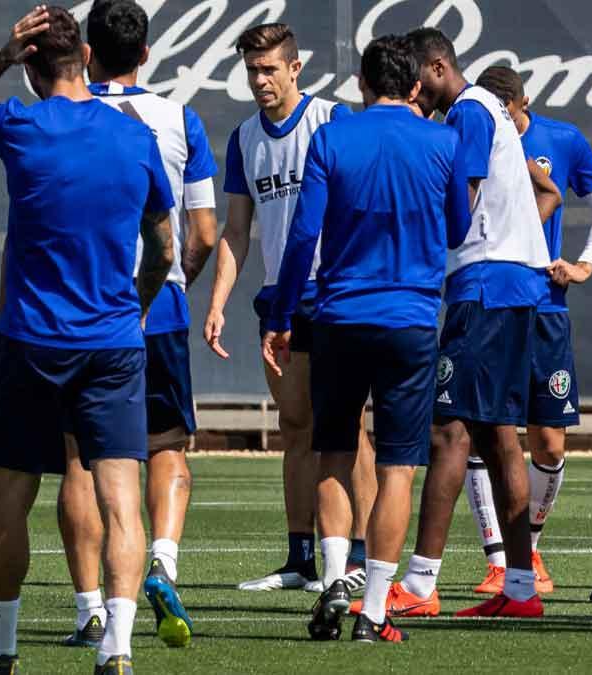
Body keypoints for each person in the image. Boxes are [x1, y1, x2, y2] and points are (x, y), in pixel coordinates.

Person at [0, 6, 175, 674]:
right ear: (89, 56)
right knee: (121, 493)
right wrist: (140, 300)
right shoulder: (133, 135)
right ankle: (119, 646)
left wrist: (2, 56)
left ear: (33, 71)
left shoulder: (20, 122)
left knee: (12, 493)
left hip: (31, 342)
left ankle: (4, 646)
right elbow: (164, 245)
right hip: (114, 340)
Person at [265, 34, 471, 644]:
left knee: (332, 451)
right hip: (409, 322)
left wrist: (280, 314)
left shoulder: (331, 137)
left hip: (338, 318)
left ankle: (334, 577)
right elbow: (459, 227)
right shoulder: (444, 140)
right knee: (398, 467)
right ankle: (375, 609)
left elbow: (303, 239)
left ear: (361, 84)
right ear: (415, 86)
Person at [367, 27, 561, 620]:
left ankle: (421, 585)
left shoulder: (471, 109)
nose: (411, 91)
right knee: (496, 437)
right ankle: (522, 590)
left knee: (446, 432)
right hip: (511, 284)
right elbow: (540, 190)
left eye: (415, 78)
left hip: (488, 284)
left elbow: (462, 203)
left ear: (433, 68)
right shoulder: (485, 112)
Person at [55, 0, 218, 650]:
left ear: (86, 52)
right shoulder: (180, 118)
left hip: (80, 312)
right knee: (167, 445)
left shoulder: (62, 117)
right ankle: (163, 562)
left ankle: (89, 607)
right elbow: (201, 232)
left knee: (78, 459)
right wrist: (170, 285)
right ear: (147, 54)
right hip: (159, 308)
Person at [203, 22, 377, 593]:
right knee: (295, 426)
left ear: (295, 68)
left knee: (348, 429)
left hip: (337, 298)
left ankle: (362, 558)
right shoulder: (244, 138)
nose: (259, 79)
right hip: (280, 302)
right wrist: (219, 301)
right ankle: (301, 557)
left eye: (269, 68)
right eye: (252, 69)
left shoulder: (333, 120)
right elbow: (235, 231)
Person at [462, 65, 592, 596]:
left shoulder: (561, 140)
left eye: (509, 110)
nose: (500, 117)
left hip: (546, 307)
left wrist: (585, 264)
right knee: (482, 432)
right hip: (489, 302)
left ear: (523, 102)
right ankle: (499, 560)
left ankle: (531, 551)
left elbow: (589, 202)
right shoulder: (470, 130)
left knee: (547, 441)